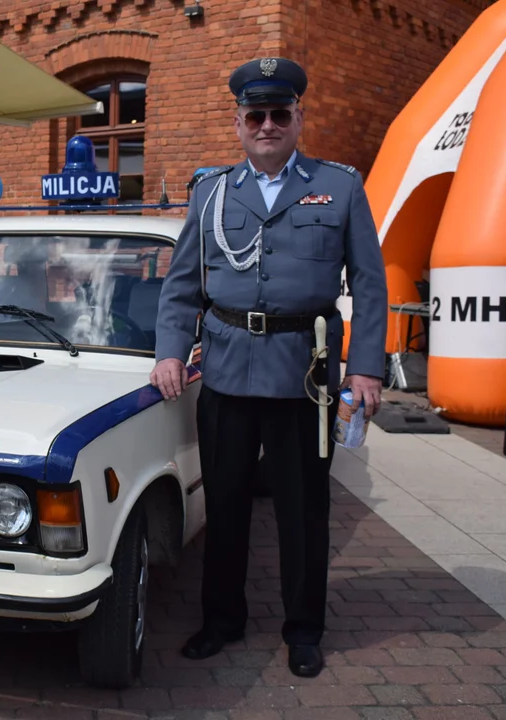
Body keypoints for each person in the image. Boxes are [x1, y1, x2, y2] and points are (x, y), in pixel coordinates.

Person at [152, 57, 388, 679]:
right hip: (227, 373)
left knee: (303, 510)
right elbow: (181, 287)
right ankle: (223, 619)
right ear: (238, 122)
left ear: (298, 118)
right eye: (254, 115)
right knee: (224, 505)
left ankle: (304, 628)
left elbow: (369, 283)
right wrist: (170, 350)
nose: (266, 125)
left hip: (303, 378)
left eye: (279, 114)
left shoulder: (339, 188)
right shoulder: (211, 192)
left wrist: (365, 369)